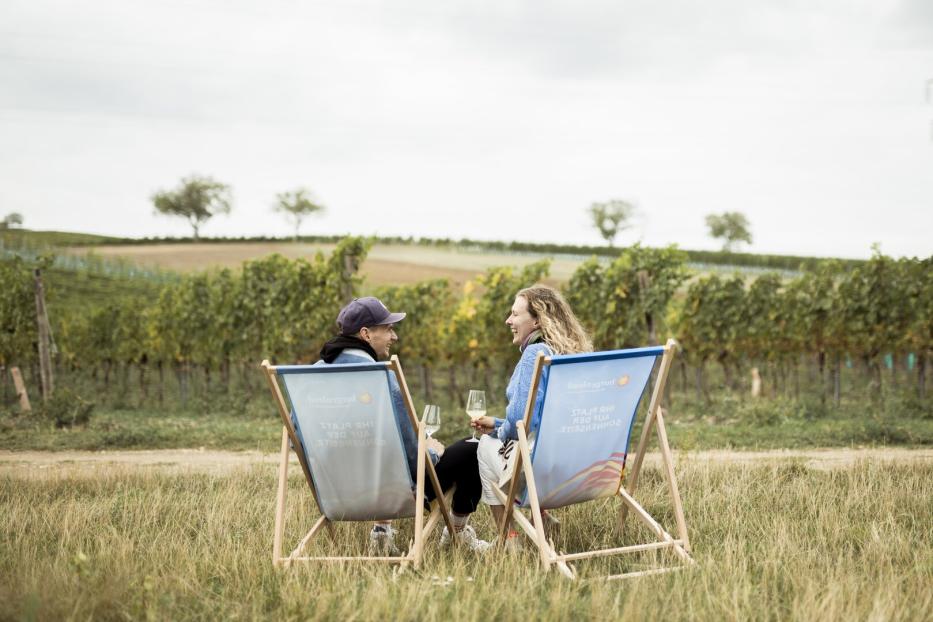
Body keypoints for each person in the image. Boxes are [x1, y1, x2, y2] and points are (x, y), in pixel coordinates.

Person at [311, 296, 490, 554]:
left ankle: (382, 534)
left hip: (333, 491)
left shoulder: (314, 373)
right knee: (473, 449)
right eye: (388, 329)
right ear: (366, 334)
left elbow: (301, 439)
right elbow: (411, 458)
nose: (394, 337)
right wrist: (432, 451)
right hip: (388, 492)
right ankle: (457, 535)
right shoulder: (380, 377)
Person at [470, 285, 593, 548]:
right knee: (509, 445)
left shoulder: (533, 355)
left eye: (515, 314)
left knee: (484, 448)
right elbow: (545, 421)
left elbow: (519, 425)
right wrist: (498, 425)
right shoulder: (571, 356)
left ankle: (508, 539)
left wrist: (498, 433)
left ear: (537, 320)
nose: (508, 321)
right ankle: (543, 521)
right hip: (583, 467)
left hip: (543, 468)